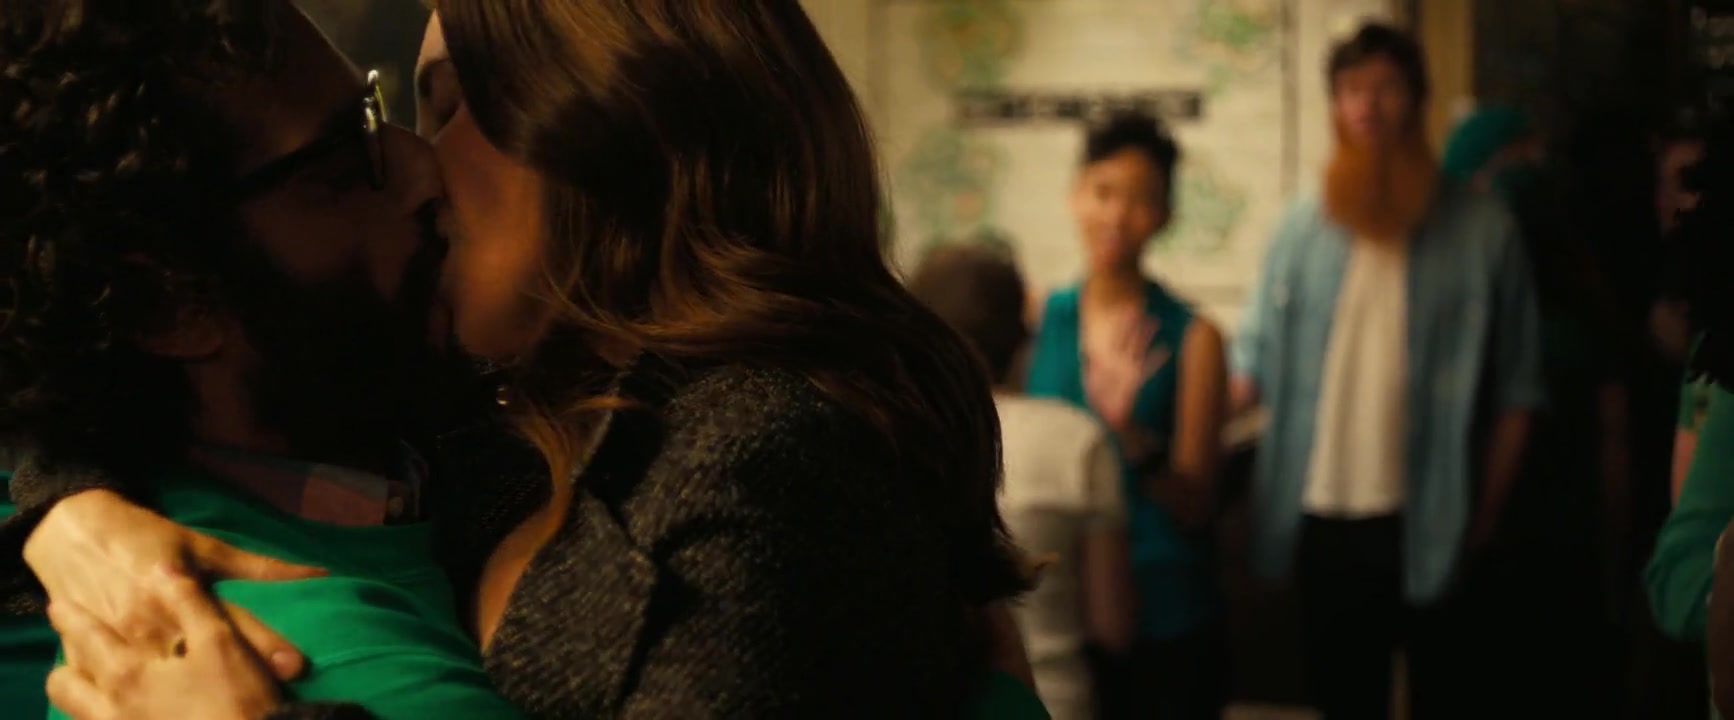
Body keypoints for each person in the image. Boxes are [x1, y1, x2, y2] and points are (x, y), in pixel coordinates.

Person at [4, 1, 1049, 717]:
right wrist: (65, 509)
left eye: (454, 104)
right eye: (361, 145)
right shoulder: (493, 424)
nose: (419, 164)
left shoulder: (755, 456)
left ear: (623, 120)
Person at [0, 0, 524, 718]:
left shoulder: (398, 445)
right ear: (169, 304)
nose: (421, 165)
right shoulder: (325, 669)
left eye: (372, 113)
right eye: (342, 164)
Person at [1230, 23, 1542, 720]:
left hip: (1435, 510)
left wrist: (1485, 516)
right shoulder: (1300, 227)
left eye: (1386, 88)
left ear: (1418, 100)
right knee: (1342, 697)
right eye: (1351, 90)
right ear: (1335, 106)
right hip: (1319, 512)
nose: (1367, 106)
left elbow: (1520, 391)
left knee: (1447, 693)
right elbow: (1250, 360)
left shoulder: (1484, 230)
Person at [1022, 110, 1229, 720]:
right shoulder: (1039, 319)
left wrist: (1129, 433)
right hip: (1061, 608)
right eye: (1103, 191)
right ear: (1075, 196)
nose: (1116, 215)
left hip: (1162, 614)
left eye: (1139, 199)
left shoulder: (1194, 336)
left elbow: (1197, 506)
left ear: (1164, 215)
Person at [1441, 105, 1630, 716]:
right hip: (1567, 552)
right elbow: (1614, 442)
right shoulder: (1584, 299)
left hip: (1488, 548)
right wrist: (1616, 561)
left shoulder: (1465, 306)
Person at [910, 243, 1136, 720]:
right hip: (1056, 703)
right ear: (1021, 339)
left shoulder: (900, 438)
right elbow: (1112, 625)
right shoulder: (1078, 439)